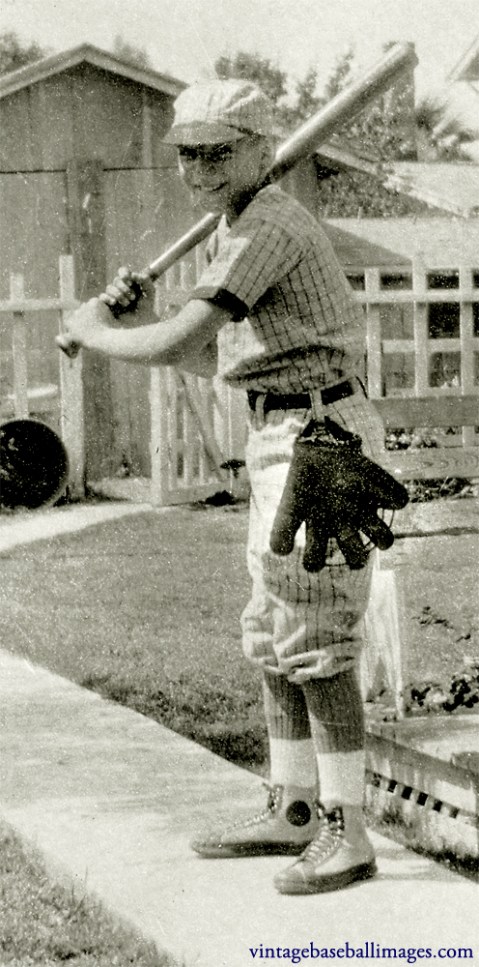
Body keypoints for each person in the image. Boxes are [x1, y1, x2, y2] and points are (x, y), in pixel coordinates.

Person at [61, 79, 395, 895]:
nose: (199, 168)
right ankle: (293, 808)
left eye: (218, 151)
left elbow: (184, 337)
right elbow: (217, 346)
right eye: (187, 152)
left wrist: (97, 330)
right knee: (272, 627)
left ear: (257, 147)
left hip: (325, 441)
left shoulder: (269, 222)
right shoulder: (239, 221)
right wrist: (126, 313)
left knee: (314, 637)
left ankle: (348, 833)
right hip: (283, 429)